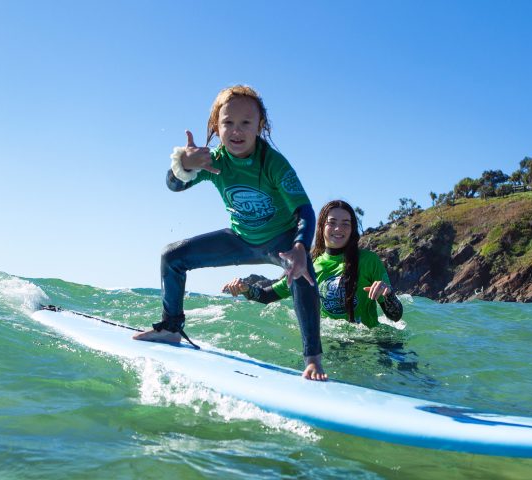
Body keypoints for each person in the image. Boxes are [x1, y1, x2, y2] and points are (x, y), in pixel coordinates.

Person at [134, 85, 326, 381]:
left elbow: (305, 210)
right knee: (172, 256)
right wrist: (183, 165)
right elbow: (174, 186)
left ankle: (313, 359)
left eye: (246, 123)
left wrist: (300, 246)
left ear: (260, 126)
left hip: (280, 242)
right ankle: (171, 328)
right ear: (216, 126)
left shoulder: (273, 163)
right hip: (239, 240)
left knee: (301, 272)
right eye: (228, 123)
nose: (237, 131)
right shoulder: (215, 160)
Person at [223, 200, 403, 328]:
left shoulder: (368, 260)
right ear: (321, 227)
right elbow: (266, 295)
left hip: (369, 341)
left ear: (352, 229)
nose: (338, 229)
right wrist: (245, 288)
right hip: (332, 340)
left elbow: (395, 316)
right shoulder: (308, 266)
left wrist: (388, 295)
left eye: (345, 224)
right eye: (332, 223)